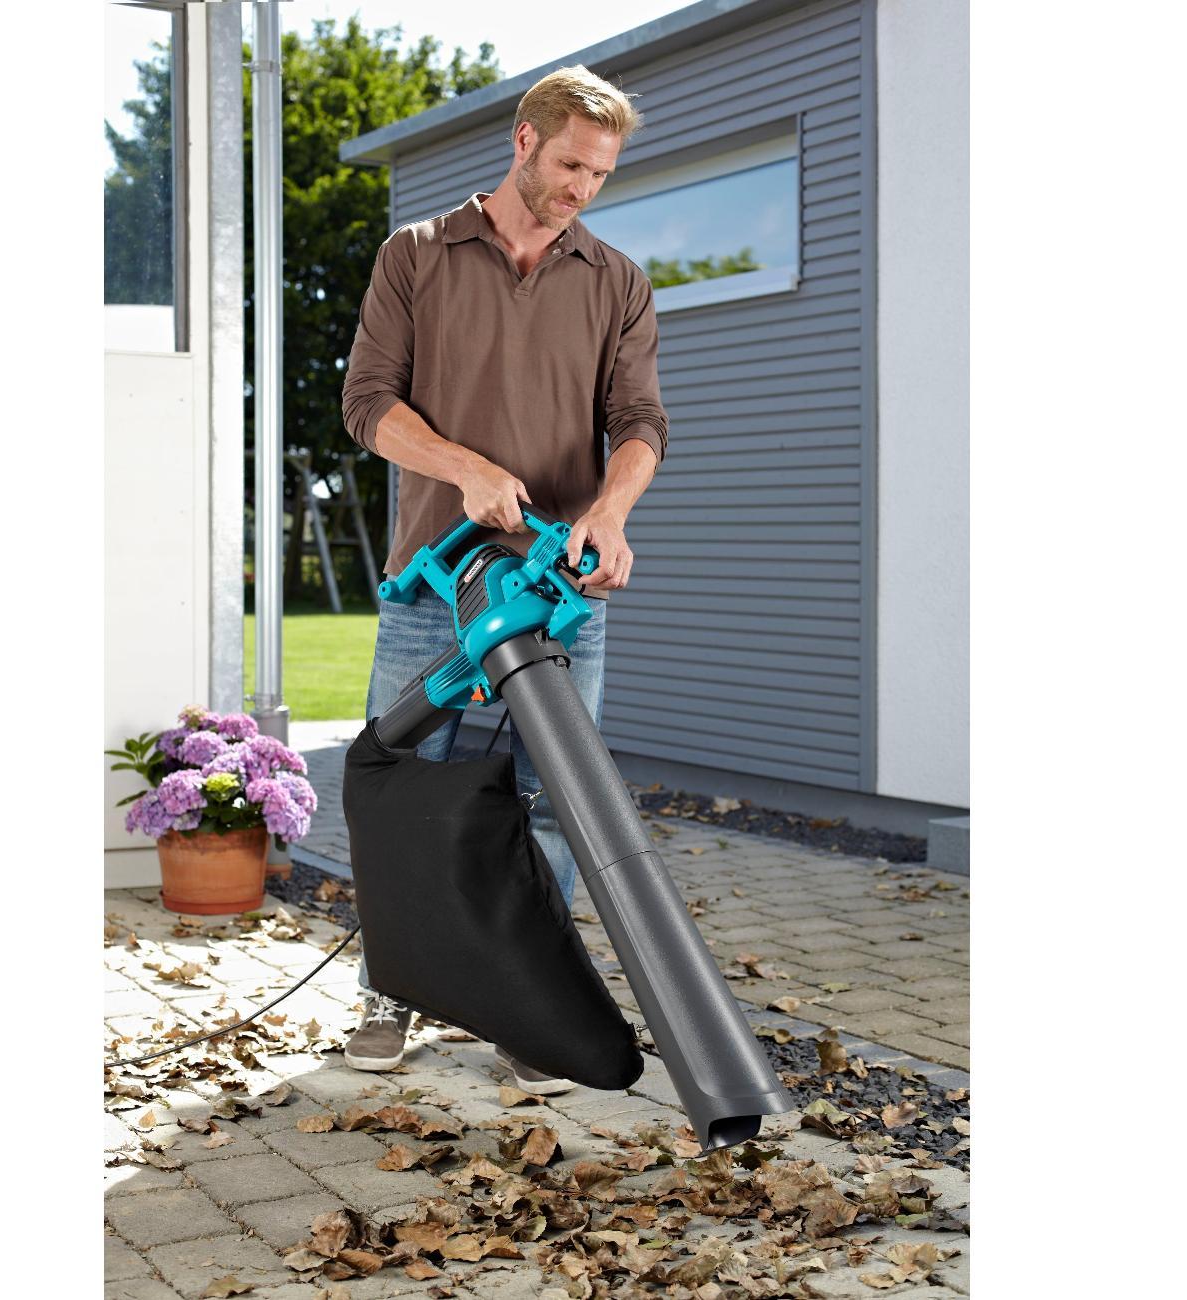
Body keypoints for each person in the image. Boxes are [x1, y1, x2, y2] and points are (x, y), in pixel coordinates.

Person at [338, 64, 668, 1092]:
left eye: (600, 174)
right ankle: (389, 991)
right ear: (524, 141)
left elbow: (640, 423)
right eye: (570, 164)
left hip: (557, 591)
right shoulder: (417, 255)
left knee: (552, 802)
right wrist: (465, 468)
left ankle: (527, 1011)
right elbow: (367, 404)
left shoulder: (614, 280)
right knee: (402, 786)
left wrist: (610, 510)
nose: (582, 188)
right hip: (433, 585)